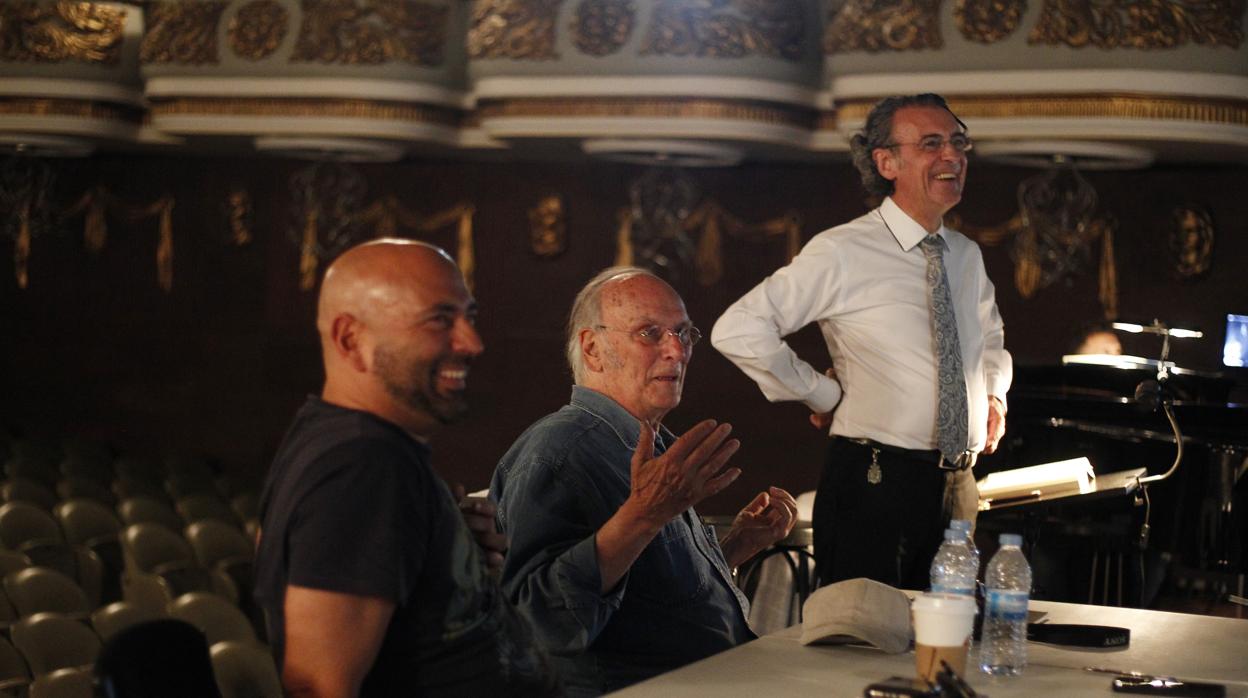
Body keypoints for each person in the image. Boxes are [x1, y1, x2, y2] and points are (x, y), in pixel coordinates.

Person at [711, 93, 1013, 590]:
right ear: (886, 162)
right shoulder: (844, 250)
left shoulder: (965, 255)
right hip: (875, 481)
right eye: (932, 143)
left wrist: (994, 394)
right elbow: (740, 329)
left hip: (959, 484)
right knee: (863, 648)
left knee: (947, 639)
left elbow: (991, 338)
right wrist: (822, 394)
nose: (952, 157)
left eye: (958, 143)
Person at [253, 239, 558, 697]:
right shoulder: (361, 466)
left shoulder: (360, 447)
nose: (472, 343)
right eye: (439, 320)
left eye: (468, 317)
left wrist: (441, 548)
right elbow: (316, 687)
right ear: (350, 339)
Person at [491, 267, 797, 696]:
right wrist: (642, 517)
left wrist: (735, 548)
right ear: (593, 349)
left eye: (684, 333)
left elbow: (653, 603)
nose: (677, 351)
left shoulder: (648, 444)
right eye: (650, 333)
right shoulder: (558, 452)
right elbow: (538, 626)